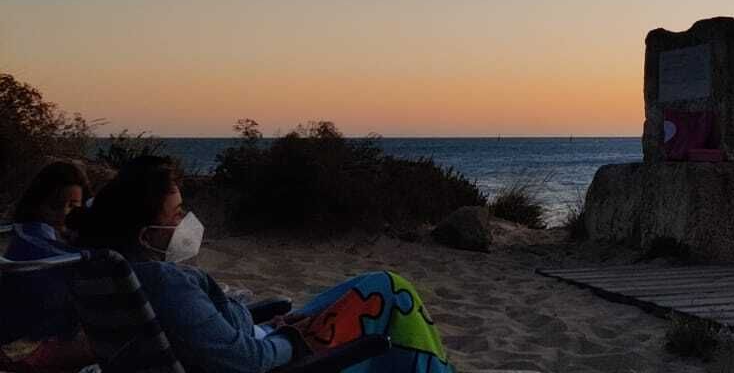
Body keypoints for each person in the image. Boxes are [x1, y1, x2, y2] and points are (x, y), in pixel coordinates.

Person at [71, 156, 454, 373]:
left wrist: (267, 325)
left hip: (260, 336)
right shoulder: (164, 284)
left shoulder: (111, 274)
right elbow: (239, 360)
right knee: (390, 293)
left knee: (378, 285)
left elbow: (208, 338)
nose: (184, 221)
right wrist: (292, 339)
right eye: (175, 215)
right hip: (273, 360)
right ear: (144, 234)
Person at [2, 160, 93, 357]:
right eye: (55, 206)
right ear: (37, 203)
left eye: (72, 206)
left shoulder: (51, 236)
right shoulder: (33, 237)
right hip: (26, 343)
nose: (64, 213)